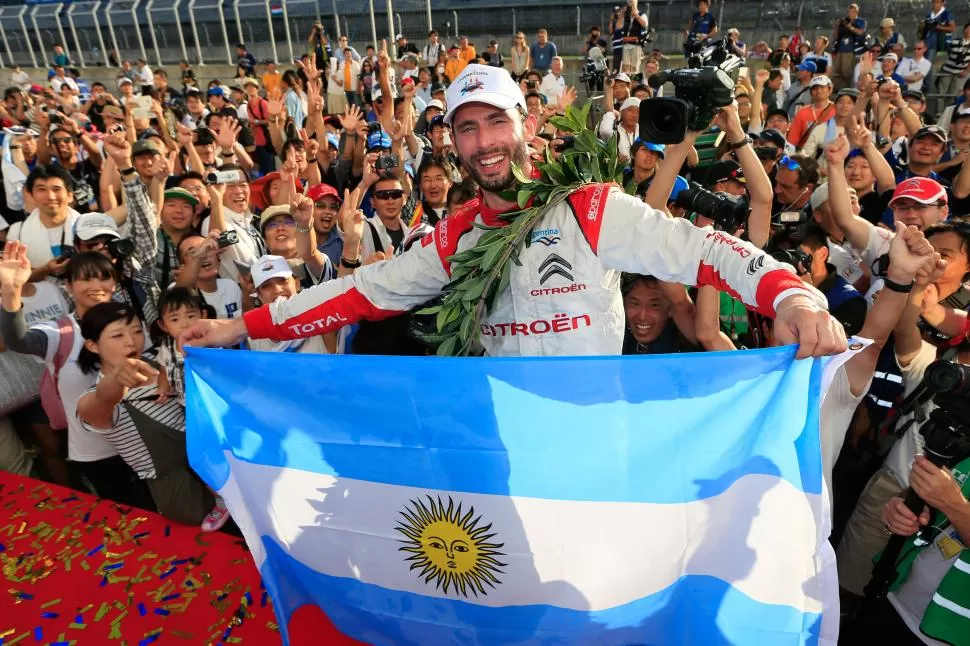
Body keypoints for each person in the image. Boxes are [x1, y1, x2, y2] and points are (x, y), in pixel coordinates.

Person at [180, 64, 847, 359]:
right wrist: (245, 329)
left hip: (593, 441)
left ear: (525, 125)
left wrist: (792, 297)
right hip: (508, 439)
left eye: (494, 122)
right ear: (453, 142)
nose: (483, 142)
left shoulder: (586, 209)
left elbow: (702, 249)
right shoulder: (456, 237)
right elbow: (359, 294)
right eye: (466, 129)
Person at [1, 244, 149, 507]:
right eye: (86, 278)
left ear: (114, 283)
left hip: (143, 447)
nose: (97, 285)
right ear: (68, 286)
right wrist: (11, 293)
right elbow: (19, 340)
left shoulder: (131, 323)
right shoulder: (59, 333)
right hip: (96, 454)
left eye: (105, 277)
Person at [75, 300, 219, 526]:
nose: (131, 341)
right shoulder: (95, 396)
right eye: (117, 336)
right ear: (93, 346)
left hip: (220, 469)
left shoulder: (163, 361)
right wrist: (117, 377)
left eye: (136, 331)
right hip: (186, 496)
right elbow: (97, 403)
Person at [831, 3, 868, 90]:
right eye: (849, 12)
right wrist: (836, 27)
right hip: (840, 50)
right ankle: (837, 89)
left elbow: (860, 32)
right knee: (837, 71)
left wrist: (850, 27)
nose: (850, 14)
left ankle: (847, 90)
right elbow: (836, 37)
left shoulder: (861, 21)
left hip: (851, 50)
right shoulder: (843, 22)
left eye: (853, 12)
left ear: (856, 12)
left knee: (847, 72)